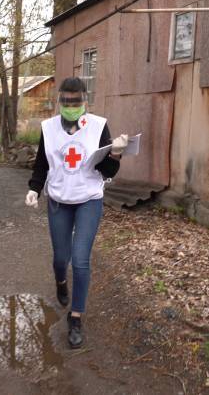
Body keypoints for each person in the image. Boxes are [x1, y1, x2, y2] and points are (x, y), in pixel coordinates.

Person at [25, 77, 128, 349]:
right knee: (62, 258)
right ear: (60, 101)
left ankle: (76, 317)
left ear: (85, 100)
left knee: (80, 260)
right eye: (66, 102)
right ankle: (61, 281)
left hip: (88, 200)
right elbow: (41, 165)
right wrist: (35, 189)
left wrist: (115, 153)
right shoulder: (48, 128)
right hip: (59, 200)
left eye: (76, 101)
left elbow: (107, 171)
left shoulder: (98, 126)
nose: (71, 106)